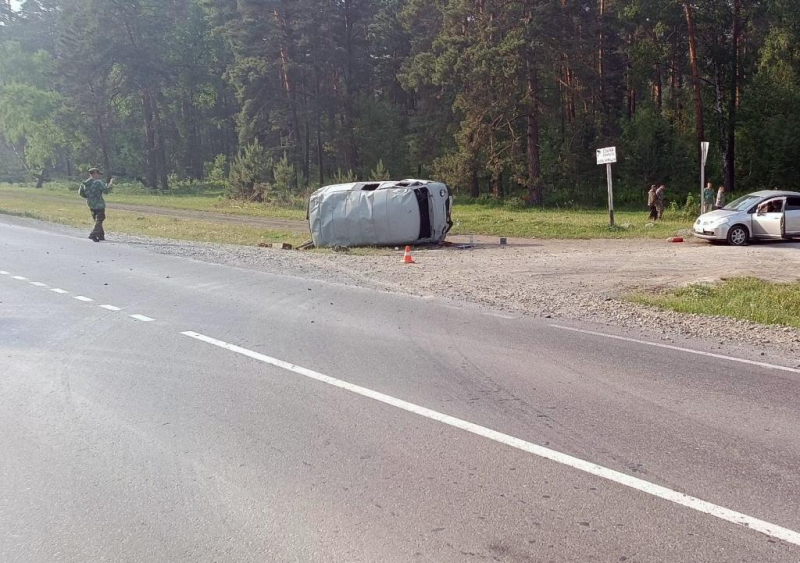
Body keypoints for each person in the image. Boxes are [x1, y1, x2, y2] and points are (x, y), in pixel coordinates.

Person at [79, 167, 113, 242]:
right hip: (99, 204)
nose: (99, 175)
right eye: (98, 174)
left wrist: (89, 197)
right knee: (100, 219)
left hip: (90, 204)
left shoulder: (85, 183)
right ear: (94, 174)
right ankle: (93, 234)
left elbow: (81, 193)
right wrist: (110, 184)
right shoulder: (98, 182)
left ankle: (100, 235)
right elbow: (106, 191)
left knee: (97, 220)